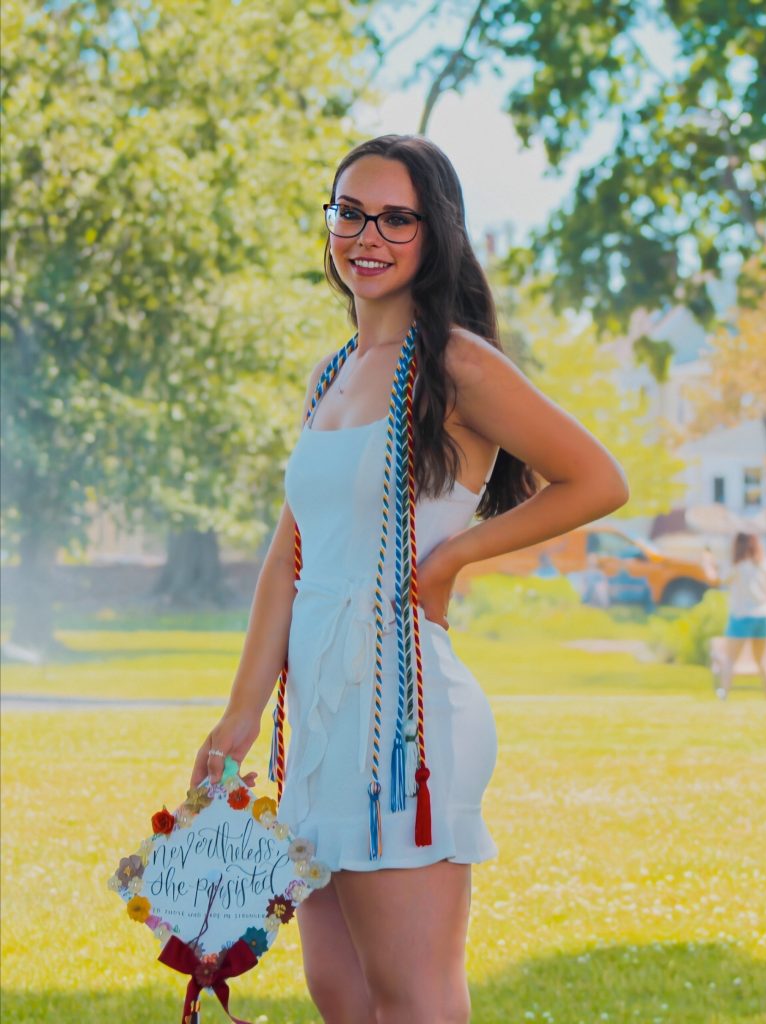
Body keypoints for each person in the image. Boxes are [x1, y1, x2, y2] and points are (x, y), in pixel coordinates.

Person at [188, 134, 629, 1024]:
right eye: (349, 212)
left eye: (397, 217)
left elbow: (599, 480)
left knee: (413, 994)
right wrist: (241, 714)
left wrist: (454, 555)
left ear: (437, 235)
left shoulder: (456, 364)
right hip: (314, 715)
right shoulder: (331, 375)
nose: (367, 235)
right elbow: (289, 555)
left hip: (404, 724)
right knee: (341, 993)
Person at [716, 532, 766, 700]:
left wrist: (708, 563)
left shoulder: (737, 567)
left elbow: (719, 580)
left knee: (730, 659)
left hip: (741, 616)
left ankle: (723, 694)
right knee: (762, 660)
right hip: (763, 616)